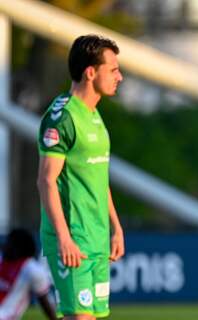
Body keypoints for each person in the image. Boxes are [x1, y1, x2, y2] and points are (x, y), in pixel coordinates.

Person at [36, 34, 125, 320]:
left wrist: (116, 226)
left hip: (97, 240)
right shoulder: (61, 118)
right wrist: (63, 238)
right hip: (73, 242)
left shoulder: (95, 116)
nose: (119, 77)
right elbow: (46, 181)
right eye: (113, 70)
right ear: (90, 72)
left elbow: (98, 175)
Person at [0, 228, 56, 320]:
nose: (4, 245)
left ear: (17, 248)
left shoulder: (31, 270)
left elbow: (44, 302)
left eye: (8, 242)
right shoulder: (2, 260)